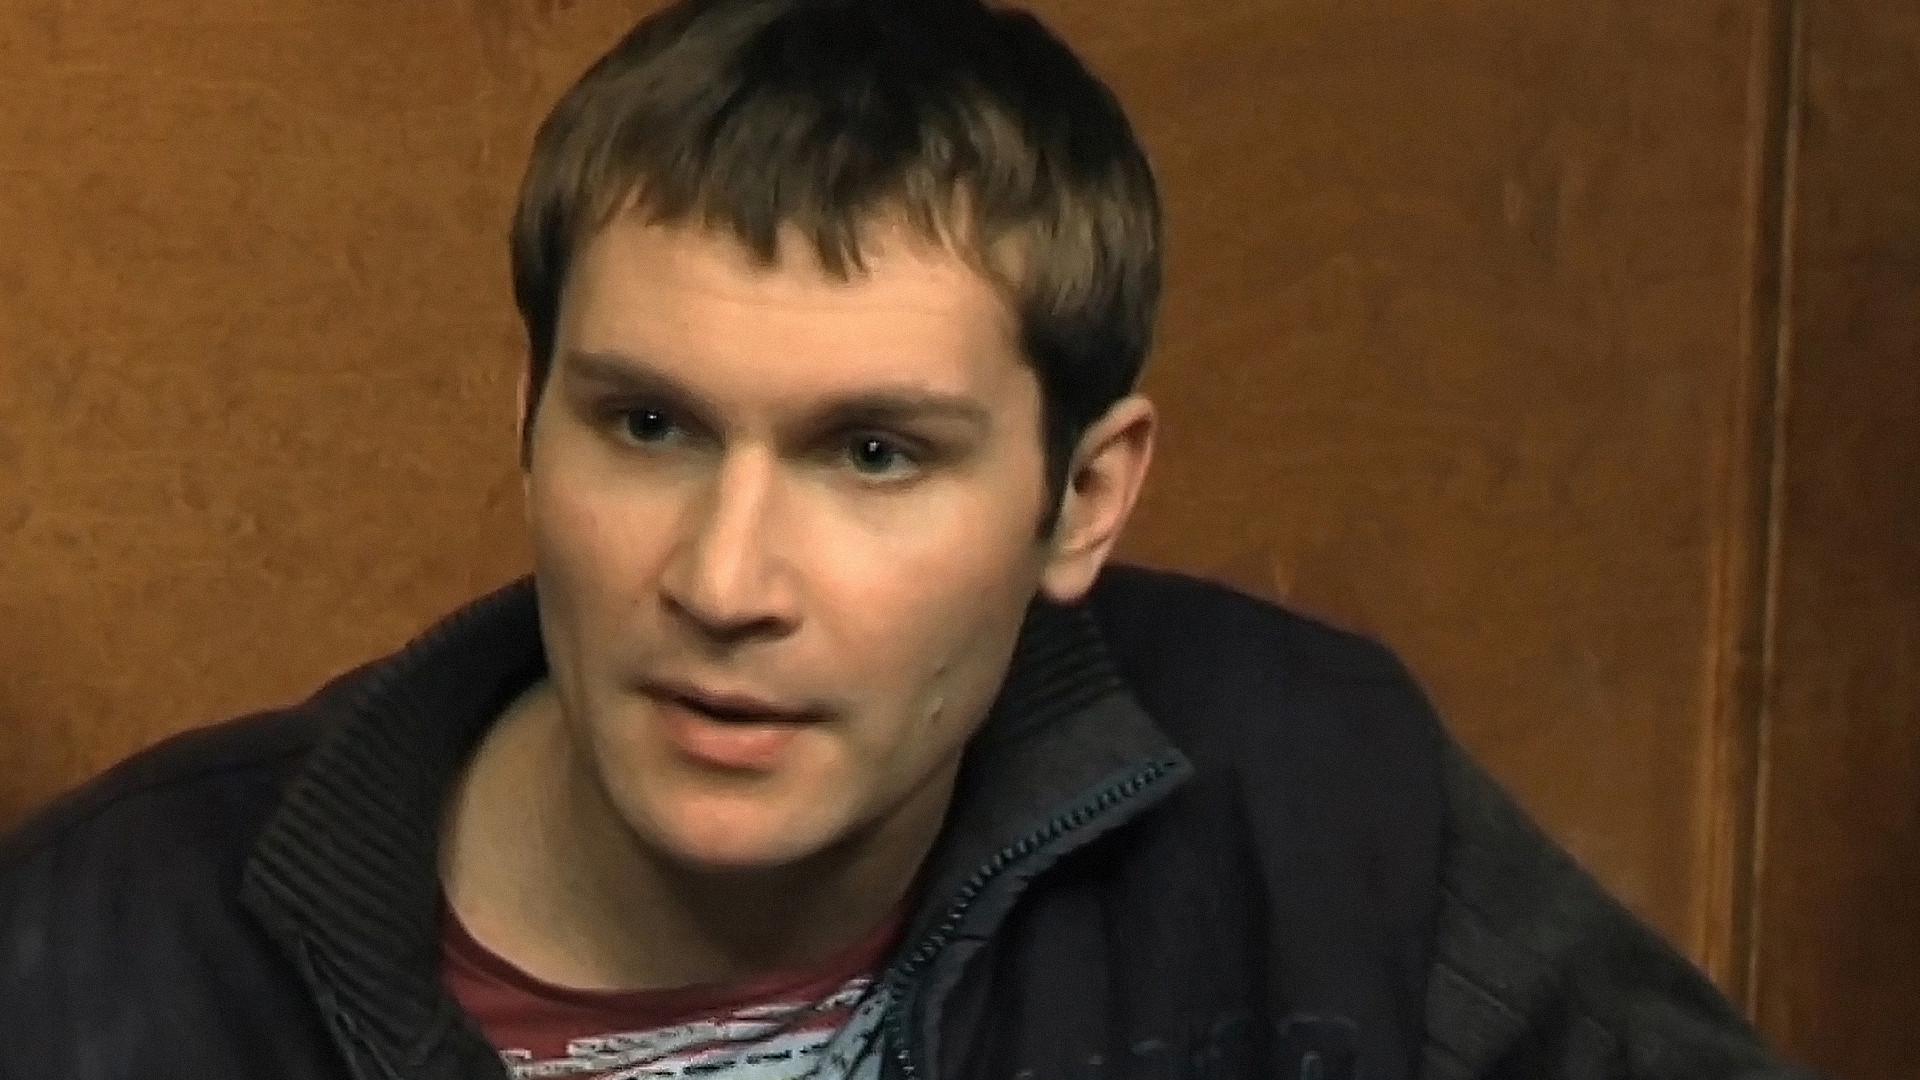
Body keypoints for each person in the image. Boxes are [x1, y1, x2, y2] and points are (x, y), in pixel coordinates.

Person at [0, 1, 1819, 1078]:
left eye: (873, 454)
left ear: (1081, 497)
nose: (724, 583)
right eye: (648, 426)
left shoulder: (1309, 800)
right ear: (531, 415)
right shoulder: (103, 943)